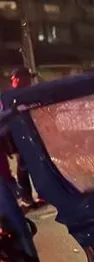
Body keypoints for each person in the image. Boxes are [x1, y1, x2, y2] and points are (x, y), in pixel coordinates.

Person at [6, 69, 38, 208]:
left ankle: (42, 195)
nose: (29, 81)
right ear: (15, 79)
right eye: (26, 78)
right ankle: (26, 197)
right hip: (17, 135)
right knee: (23, 167)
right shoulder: (6, 96)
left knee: (39, 165)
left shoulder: (32, 92)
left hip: (34, 132)